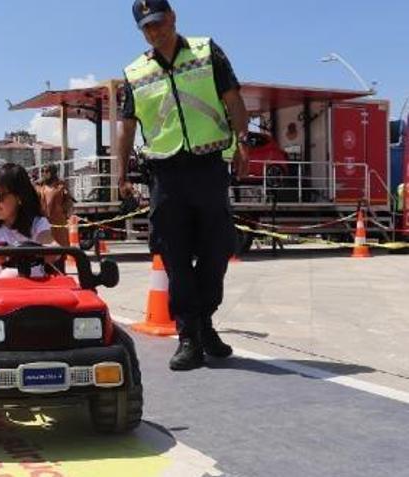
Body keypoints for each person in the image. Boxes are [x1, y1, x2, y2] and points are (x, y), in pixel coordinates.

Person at [118, 0, 249, 370]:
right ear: (141, 31)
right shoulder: (135, 72)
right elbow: (127, 126)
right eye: (147, 27)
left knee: (217, 248)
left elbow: (234, 100)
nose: (155, 31)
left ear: (173, 18)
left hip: (208, 167)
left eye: (159, 22)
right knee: (173, 255)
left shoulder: (208, 52)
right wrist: (120, 173)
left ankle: (205, 320)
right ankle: (189, 335)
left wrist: (242, 141)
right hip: (165, 174)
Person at [0, 163, 56, 278]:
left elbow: (53, 248)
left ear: (19, 197)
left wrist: (36, 252)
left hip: (35, 291)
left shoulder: (37, 223)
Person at [36, 163, 74, 247]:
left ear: (52, 172)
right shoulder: (39, 186)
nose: (44, 173)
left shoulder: (60, 186)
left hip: (58, 222)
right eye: (42, 171)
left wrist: (64, 213)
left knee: (61, 246)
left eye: (46, 171)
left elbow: (68, 202)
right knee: (45, 248)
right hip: (44, 222)